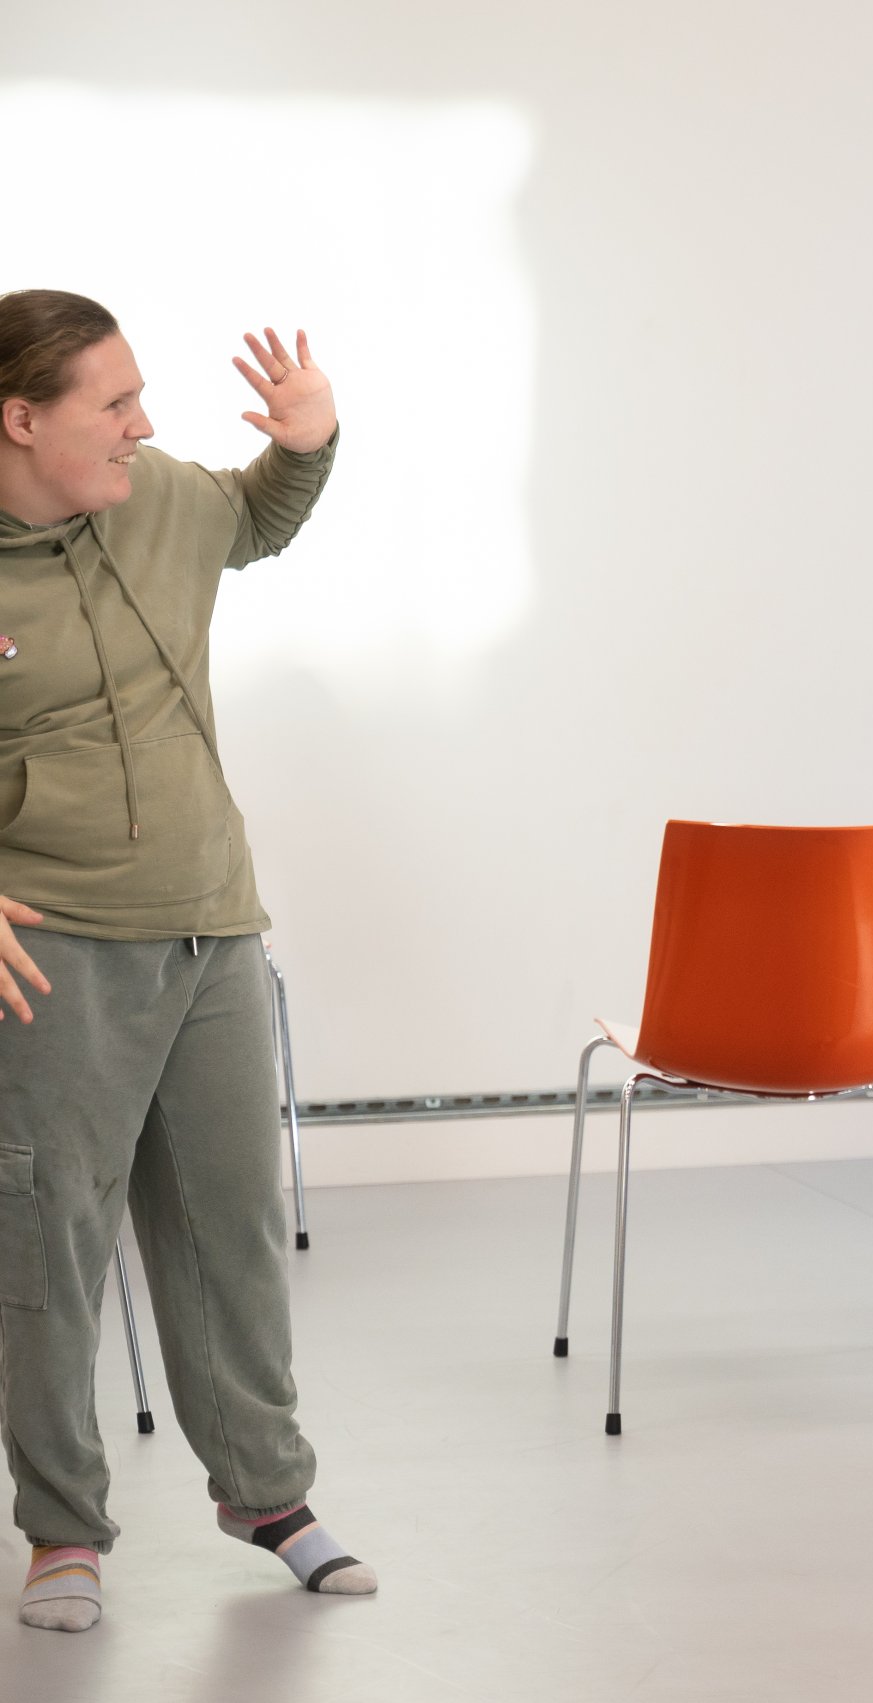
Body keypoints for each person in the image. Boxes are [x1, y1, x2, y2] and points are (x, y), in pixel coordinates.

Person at [0, 291, 376, 1633]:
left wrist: (305, 445)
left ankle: (268, 1494)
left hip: (214, 921)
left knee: (232, 1225)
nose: (142, 424)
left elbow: (257, 519)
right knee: (51, 1239)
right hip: (54, 951)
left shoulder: (155, 497)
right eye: (114, 402)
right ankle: (63, 1531)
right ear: (20, 419)